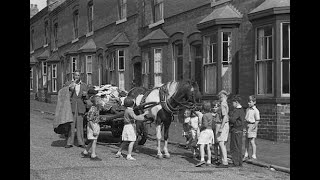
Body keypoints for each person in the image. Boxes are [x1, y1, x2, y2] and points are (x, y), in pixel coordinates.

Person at [64, 70, 89, 148]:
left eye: (78, 75)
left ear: (80, 76)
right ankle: (69, 142)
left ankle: (81, 142)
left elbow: (87, 98)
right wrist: (72, 86)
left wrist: (85, 95)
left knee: (80, 125)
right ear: (73, 76)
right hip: (72, 106)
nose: (77, 77)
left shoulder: (84, 85)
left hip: (80, 106)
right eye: (76, 75)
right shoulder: (68, 84)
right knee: (71, 125)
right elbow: (66, 94)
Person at [81, 95, 103, 161]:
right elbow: (90, 120)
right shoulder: (93, 109)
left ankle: (86, 151)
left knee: (93, 139)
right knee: (94, 140)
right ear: (96, 102)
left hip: (95, 124)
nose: (101, 102)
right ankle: (93, 154)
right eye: (100, 101)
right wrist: (93, 129)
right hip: (93, 125)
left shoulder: (96, 108)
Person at [195, 102, 214, 167]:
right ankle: (209, 160)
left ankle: (202, 159)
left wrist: (201, 127)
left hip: (205, 131)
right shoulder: (211, 115)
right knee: (208, 146)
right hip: (210, 131)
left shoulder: (204, 115)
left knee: (201, 145)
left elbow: (205, 125)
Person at [229, 95, 245, 167]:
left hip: (236, 129)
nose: (232, 104)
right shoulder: (242, 110)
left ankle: (235, 162)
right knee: (239, 146)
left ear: (236, 102)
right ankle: (239, 162)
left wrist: (228, 117)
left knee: (234, 146)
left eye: (233, 103)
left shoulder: (237, 111)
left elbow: (232, 120)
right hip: (240, 130)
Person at [215, 90, 230, 168]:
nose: (219, 99)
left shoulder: (223, 104)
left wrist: (221, 127)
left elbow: (224, 117)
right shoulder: (224, 104)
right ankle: (222, 160)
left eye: (220, 97)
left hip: (222, 124)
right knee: (222, 143)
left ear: (223, 97)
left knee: (221, 143)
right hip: (223, 124)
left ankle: (225, 161)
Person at [243, 95, 260, 160]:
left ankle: (254, 154)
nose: (248, 103)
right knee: (246, 140)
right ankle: (246, 153)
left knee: (252, 141)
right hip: (247, 125)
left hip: (252, 125)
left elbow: (257, 120)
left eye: (250, 102)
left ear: (254, 102)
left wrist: (254, 127)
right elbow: (246, 118)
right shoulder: (247, 109)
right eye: (248, 102)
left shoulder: (256, 110)